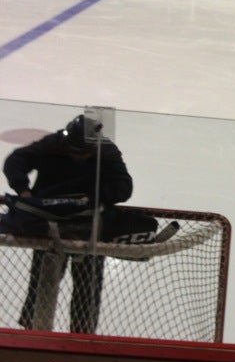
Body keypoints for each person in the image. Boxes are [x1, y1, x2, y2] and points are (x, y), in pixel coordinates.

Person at [2, 115, 135, 333]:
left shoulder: (107, 152)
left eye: (84, 152)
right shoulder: (53, 144)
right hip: (49, 225)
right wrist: (23, 189)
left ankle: (82, 335)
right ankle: (33, 330)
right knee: (41, 281)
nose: (78, 156)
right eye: (74, 150)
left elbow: (124, 187)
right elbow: (15, 161)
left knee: (88, 287)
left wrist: (91, 199)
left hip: (89, 226)